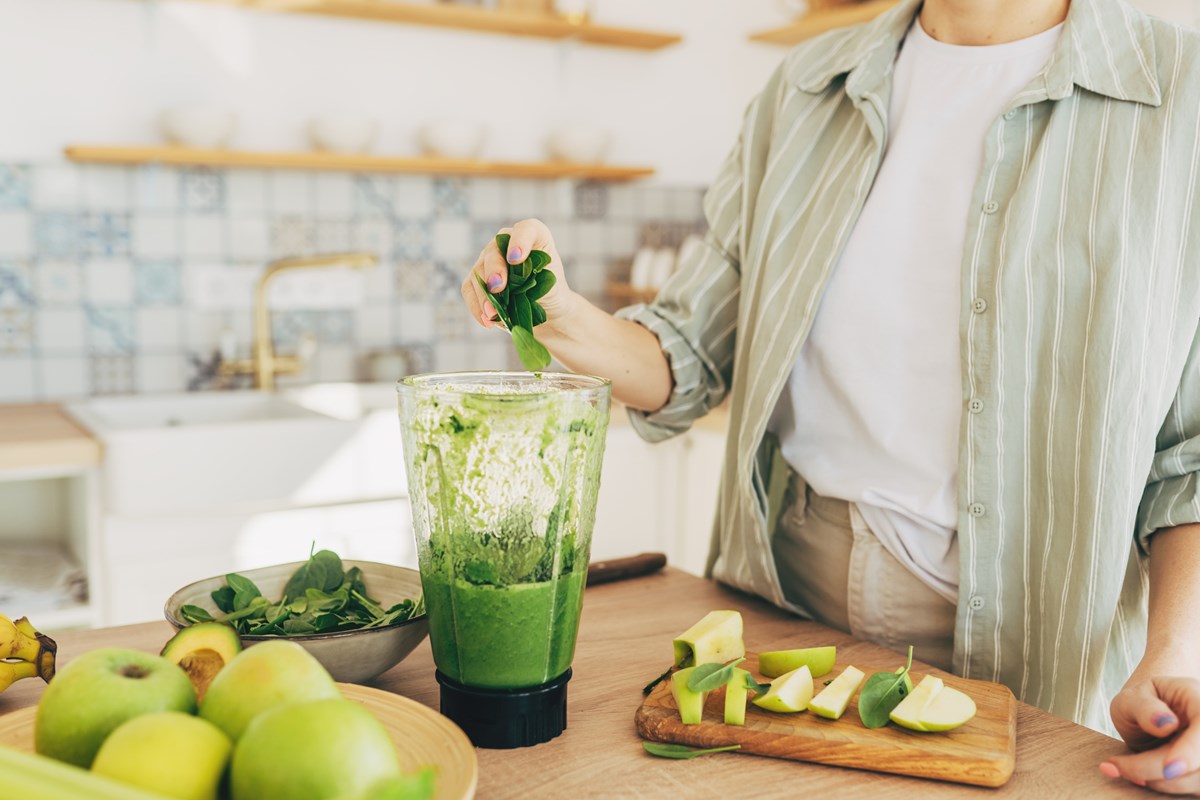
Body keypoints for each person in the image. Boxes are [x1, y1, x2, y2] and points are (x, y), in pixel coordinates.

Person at [461, 0, 1200, 791]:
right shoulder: (807, 86)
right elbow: (687, 352)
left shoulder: (1180, 97)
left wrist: (1176, 654)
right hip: (785, 600)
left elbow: (1188, 455)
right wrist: (560, 315)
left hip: (1039, 648)